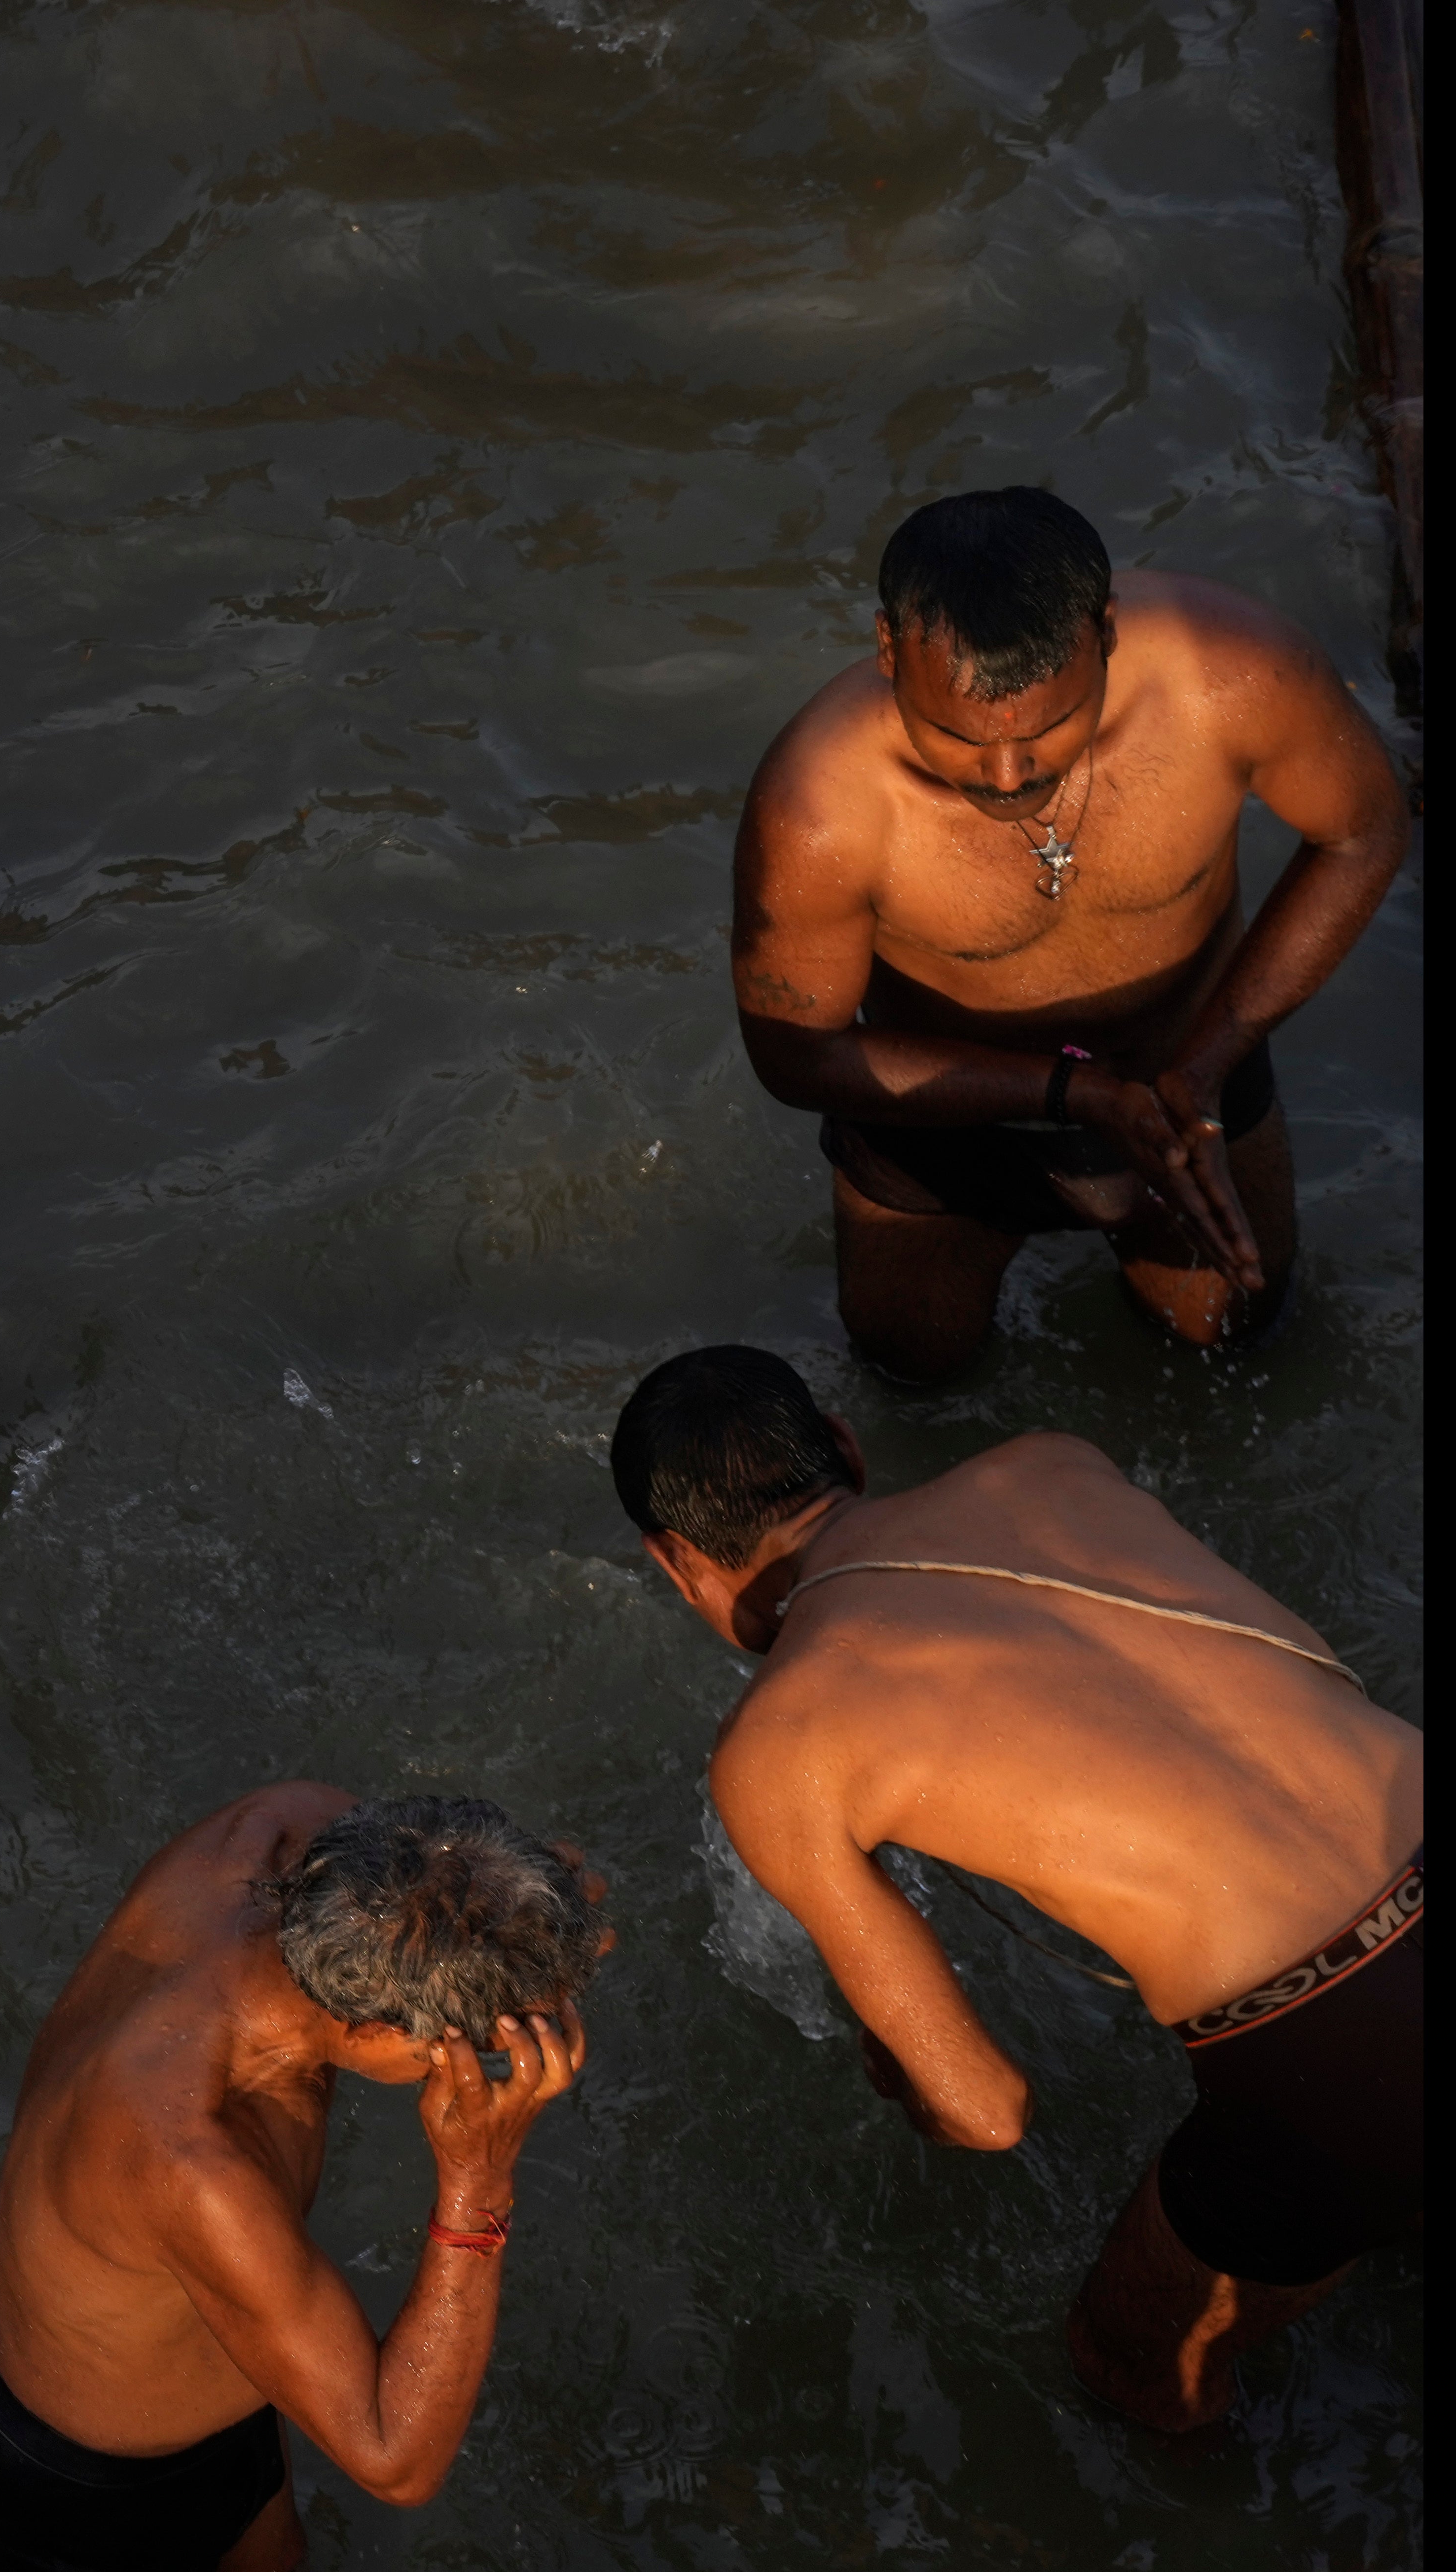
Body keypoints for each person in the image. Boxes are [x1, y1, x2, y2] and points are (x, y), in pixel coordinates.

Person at [612, 1345, 1424, 2431]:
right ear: (843, 1446)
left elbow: (986, 2111)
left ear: (674, 1562)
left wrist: (911, 2088)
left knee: (1122, 2357)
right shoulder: (1050, 1462)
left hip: (1340, 2050)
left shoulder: (779, 1745)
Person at [729, 486, 1407, 1381]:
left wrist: (1204, 1067)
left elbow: (1365, 831)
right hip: (948, 1120)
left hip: (1187, 1081)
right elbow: (796, 1058)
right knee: (913, 1381)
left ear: (1107, 635)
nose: (1009, 776)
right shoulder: (820, 809)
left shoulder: (1234, 677)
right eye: (956, 738)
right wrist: (1072, 1095)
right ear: (888, 650)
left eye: (1052, 731)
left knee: (1241, 1358)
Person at [0, 1789, 601, 2570]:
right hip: (93, 2485)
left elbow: (444, 1889)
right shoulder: (193, 2154)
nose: (493, 2057)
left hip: (196, 2350)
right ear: (372, 2030)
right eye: (477, 2046)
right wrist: (477, 2179)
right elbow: (397, 2459)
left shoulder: (282, 1831)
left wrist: (525, 1905)